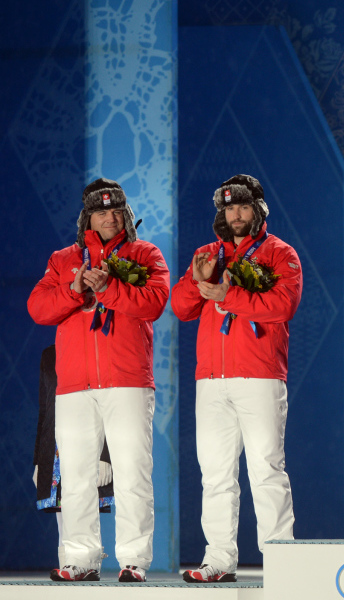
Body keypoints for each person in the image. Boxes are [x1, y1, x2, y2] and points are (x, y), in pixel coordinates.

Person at [27, 178, 169, 583]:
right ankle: (81, 558)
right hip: (74, 385)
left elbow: (155, 303)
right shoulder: (63, 259)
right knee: (75, 476)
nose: (110, 217)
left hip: (127, 381)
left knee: (132, 472)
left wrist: (109, 289)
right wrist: (73, 292)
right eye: (101, 211)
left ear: (126, 214)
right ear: (86, 218)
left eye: (116, 210)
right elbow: (38, 307)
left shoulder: (145, 254)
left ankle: (134, 560)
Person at [171, 174, 302, 583]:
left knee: (266, 469)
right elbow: (180, 308)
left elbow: (283, 305)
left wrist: (227, 296)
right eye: (229, 208)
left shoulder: (280, 253)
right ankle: (218, 559)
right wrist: (198, 282)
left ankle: (281, 562)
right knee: (215, 474)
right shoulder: (207, 253)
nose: (236, 215)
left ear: (258, 209)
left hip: (258, 376)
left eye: (243, 206)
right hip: (211, 380)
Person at [33, 345, 114, 569]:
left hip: (87, 440)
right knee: (62, 509)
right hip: (55, 446)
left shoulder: (97, 348)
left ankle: (90, 565)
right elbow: (44, 409)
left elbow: (108, 406)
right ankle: (68, 566)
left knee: (87, 505)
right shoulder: (49, 354)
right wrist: (39, 460)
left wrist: (105, 455)